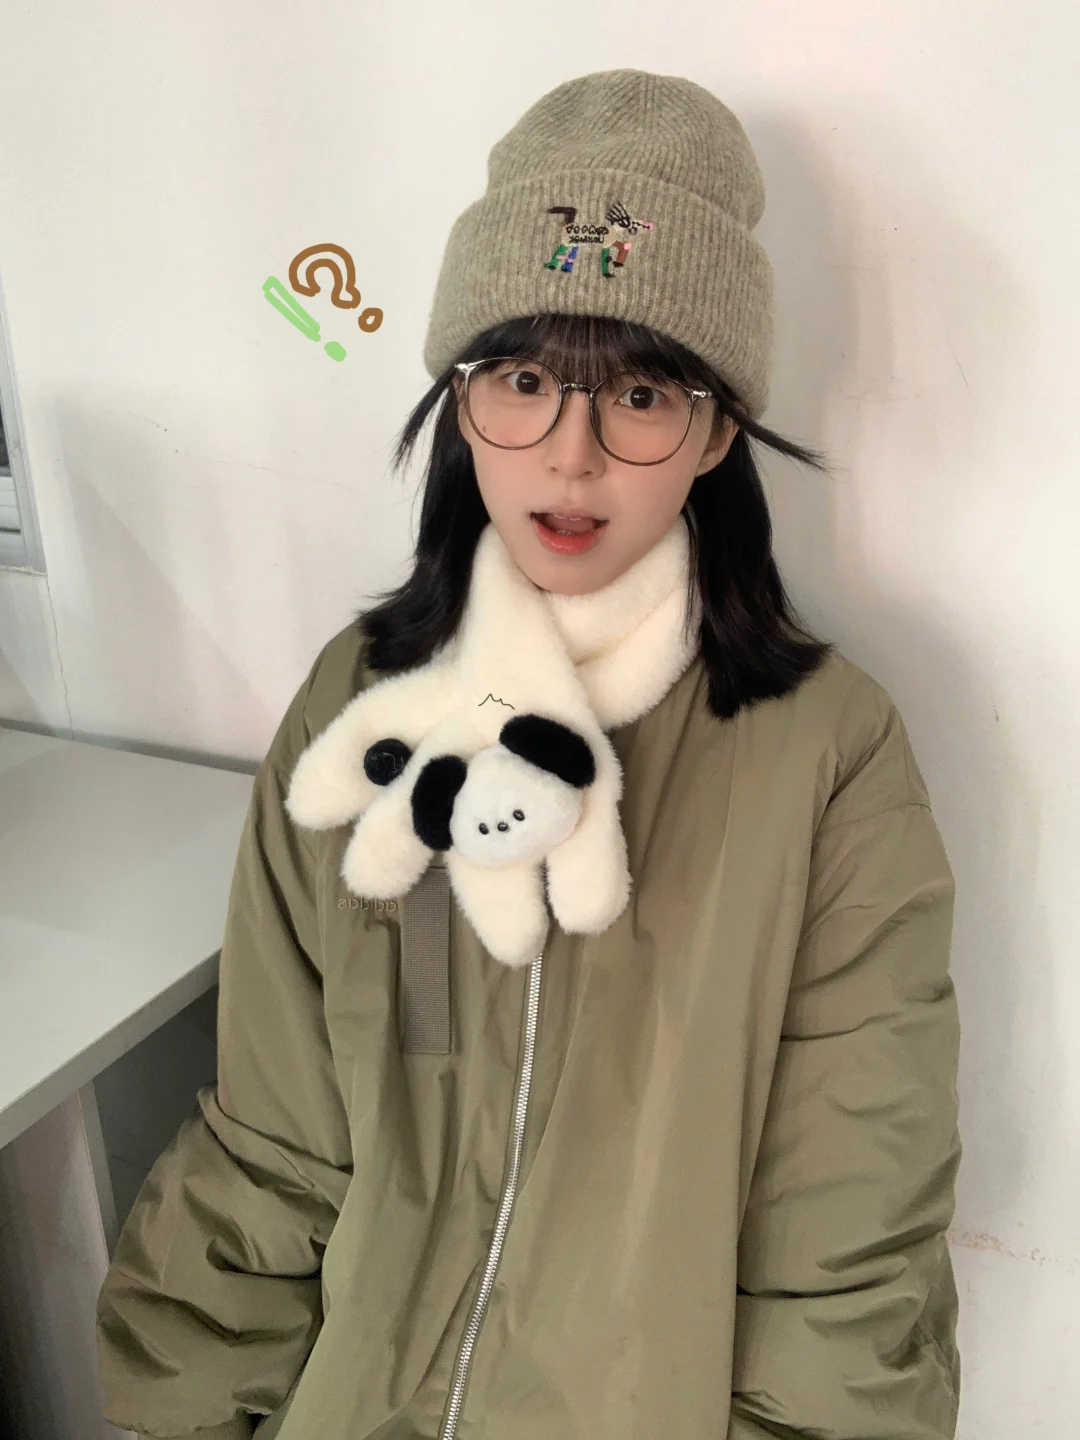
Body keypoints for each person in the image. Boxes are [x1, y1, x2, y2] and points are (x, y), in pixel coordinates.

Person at [96, 68, 962, 1440]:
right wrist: (194, 1411)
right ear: (461, 401)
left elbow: (846, 1245)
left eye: (641, 393)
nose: (570, 458)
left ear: (716, 429)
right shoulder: (359, 710)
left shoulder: (830, 757)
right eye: (523, 379)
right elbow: (275, 1138)